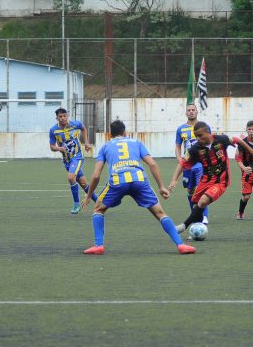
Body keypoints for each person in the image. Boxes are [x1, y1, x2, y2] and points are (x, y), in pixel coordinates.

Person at [80, 120, 196, 255]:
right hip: (139, 180)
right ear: (125, 132)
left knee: (98, 209)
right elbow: (152, 164)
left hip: (118, 181)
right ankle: (181, 245)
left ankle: (98, 245)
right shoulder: (136, 143)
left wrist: (89, 196)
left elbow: (95, 176)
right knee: (160, 213)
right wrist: (161, 187)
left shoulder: (105, 147)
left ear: (110, 135)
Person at [169, 121, 253, 233]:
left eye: (200, 135)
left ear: (208, 133)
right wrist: (174, 179)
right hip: (205, 179)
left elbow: (237, 140)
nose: (198, 138)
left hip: (221, 181)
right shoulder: (195, 149)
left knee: (203, 202)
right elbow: (182, 163)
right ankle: (198, 228)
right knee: (195, 204)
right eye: (196, 136)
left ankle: (183, 226)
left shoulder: (221, 140)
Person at [49, 107, 96, 214]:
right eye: (60, 116)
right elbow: (52, 146)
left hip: (77, 157)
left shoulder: (75, 124)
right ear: (57, 118)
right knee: (83, 183)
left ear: (67, 116)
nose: (63, 118)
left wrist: (87, 142)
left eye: (64, 116)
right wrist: (58, 148)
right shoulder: (53, 130)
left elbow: (83, 128)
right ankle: (99, 202)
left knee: (71, 178)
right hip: (67, 161)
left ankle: (76, 204)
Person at [174, 103, 208, 224]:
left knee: (201, 189)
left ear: (197, 111)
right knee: (190, 191)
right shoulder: (180, 129)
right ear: (186, 113)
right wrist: (179, 159)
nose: (191, 112)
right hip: (188, 164)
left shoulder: (203, 127)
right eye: (189, 110)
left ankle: (204, 216)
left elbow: (209, 142)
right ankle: (194, 214)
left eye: (193, 110)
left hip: (201, 163)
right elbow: (178, 146)